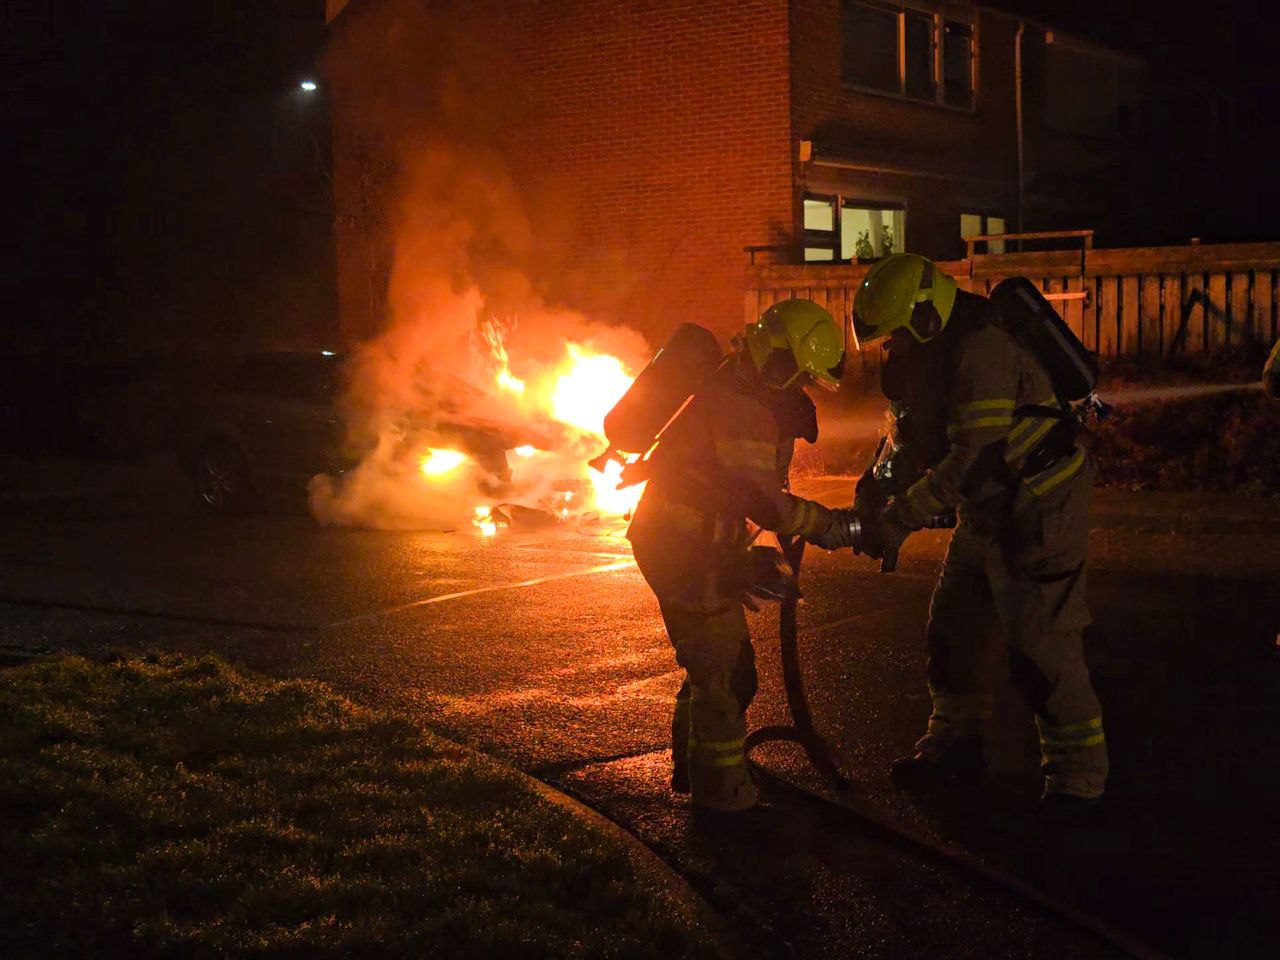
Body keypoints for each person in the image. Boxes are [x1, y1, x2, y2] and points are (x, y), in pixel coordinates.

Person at [836, 253, 1108, 819]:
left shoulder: (982, 351)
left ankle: (1077, 783)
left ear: (926, 316)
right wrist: (876, 486)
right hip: (988, 509)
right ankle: (955, 746)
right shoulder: (933, 354)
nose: (891, 350)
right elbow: (911, 439)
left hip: (1039, 504)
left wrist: (899, 518)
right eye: (884, 342)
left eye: (895, 337)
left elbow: (973, 462)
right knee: (955, 627)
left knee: (1041, 643)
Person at [627, 299, 848, 812]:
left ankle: (696, 770)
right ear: (777, 360)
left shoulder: (734, 388)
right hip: (684, 545)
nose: (799, 389)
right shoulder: (740, 408)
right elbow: (764, 501)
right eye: (797, 376)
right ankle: (722, 801)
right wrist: (834, 526)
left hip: (690, 540)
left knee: (721, 666)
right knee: (721, 674)